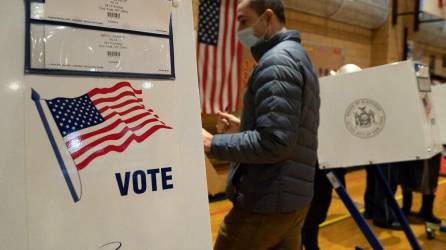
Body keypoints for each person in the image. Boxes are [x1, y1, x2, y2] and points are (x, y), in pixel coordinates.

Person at [202, 0, 320, 249]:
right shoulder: (297, 55)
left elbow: (274, 143)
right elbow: (290, 130)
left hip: (267, 203)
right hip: (292, 199)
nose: (238, 30)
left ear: (268, 18)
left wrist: (214, 143)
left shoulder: (276, 62)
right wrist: (245, 126)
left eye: (244, 21)